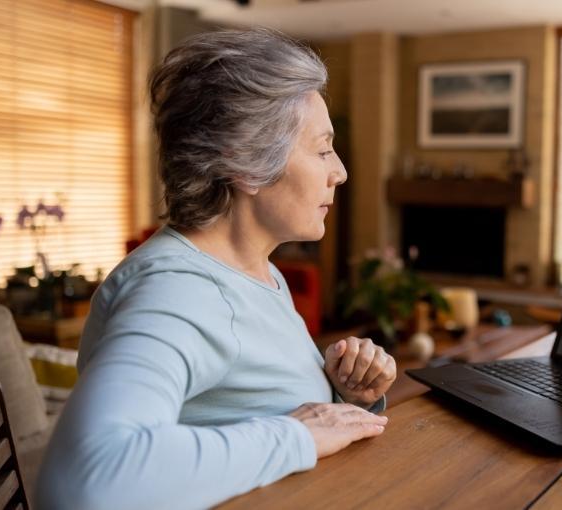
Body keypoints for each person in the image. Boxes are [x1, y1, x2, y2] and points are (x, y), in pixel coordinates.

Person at [35, 29, 396, 510]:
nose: (340, 172)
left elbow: (240, 408)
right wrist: (297, 436)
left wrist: (343, 395)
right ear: (243, 161)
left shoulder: (257, 272)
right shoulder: (179, 290)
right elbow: (87, 474)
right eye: (322, 148)